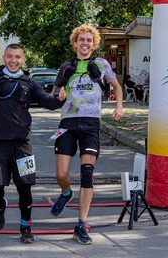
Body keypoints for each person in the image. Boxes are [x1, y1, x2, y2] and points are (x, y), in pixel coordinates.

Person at [0, 43, 66, 244]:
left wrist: (60, 98)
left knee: (25, 188)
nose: (13, 60)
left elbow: (49, 103)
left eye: (17, 57)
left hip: (22, 145)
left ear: (23, 59)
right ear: (4, 58)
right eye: (10, 56)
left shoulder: (29, 82)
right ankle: (0, 206)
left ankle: (26, 227)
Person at [50, 25, 123, 245]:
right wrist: (58, 95)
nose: (85, 43)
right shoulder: (66, 67)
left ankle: (81, 224)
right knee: (62, 174)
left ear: (94, 43)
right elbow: (54, 93)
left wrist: (119, 107)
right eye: (81, 40)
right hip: (68, 123)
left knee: (87, 173)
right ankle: (65, 194)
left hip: (91, 124)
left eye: (89, 40)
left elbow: (117, 87)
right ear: (75, 43)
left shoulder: (101, 65)